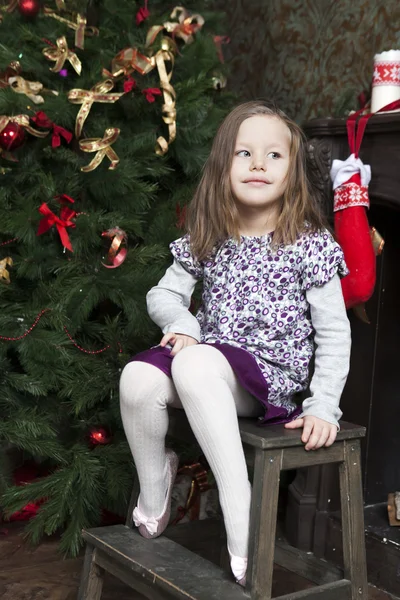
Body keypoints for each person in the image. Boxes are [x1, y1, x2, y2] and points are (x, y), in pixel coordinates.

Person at [119, 100, 351, 586]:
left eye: (274, 156)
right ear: (224, 166)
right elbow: (162, 292)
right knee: (137, 377)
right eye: (244, 154)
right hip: (204, 361)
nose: (259, 165)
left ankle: (238, 503)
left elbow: (334, 332)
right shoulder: (211, 233)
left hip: (264, 379)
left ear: (293, 173)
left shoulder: (309, 242)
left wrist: (324, 404)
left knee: (197, 364)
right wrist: (184, 322)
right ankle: (154, 487)